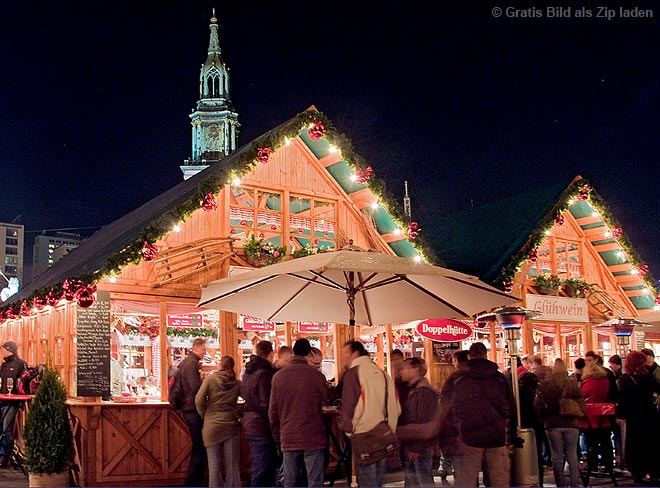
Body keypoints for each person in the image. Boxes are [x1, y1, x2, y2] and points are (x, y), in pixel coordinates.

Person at [441, 342, 515, 488]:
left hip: (468, 435)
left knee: (466, 480)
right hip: (496, 435)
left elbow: (445, 410)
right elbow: (510, 408)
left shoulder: (456, 379)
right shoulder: (499, 378)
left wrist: (447, 438)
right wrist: (511, 435)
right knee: (499, 480)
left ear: (469, 356)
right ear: (485, 354)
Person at [339, 340, 400, 488]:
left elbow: (349, 406)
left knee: (367, 481)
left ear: (355, 353)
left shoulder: (353, 373)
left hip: (363, 436)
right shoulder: (383, 374)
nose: (343, 358)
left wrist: (349, 429)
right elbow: (396, 407)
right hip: (383, 433)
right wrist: (390, 428)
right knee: (378, 481)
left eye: (345, 354)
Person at [269, 338, 328, 487]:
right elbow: (326, 400)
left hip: (288, 435)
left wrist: (278, 435)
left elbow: (273, 412)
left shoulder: (278, 377)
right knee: (315, 482)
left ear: (293, 353)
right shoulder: (317, 377)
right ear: (309, 354)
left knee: (290, 482)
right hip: (313, 435)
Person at [535, 358, 584, 488]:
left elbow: (538, 405)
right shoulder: (572, 383)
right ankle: (574, 484)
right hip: (571, 422)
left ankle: (560, 484)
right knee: (572, 454)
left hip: (553, 423)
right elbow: (582, 403)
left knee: (556, 455)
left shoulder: (545, 385)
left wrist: (543, 418)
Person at [196, 355, 241, 488]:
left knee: (214, 465)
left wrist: (205, 415)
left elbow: (199, 400)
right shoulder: (237, 383)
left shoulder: (210, 379)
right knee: (232, 465)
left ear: (220, 365)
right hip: (230, 424)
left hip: (212, 425)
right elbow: (248, 397)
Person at [616, 350, 660, 484]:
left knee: (634, 442)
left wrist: (620, 415)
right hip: (649, 412)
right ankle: (653, 471)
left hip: (633, 414)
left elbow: (621, 398)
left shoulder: (625, 378)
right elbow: (658, 388)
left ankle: (637, 472)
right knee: (651, 443)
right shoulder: (647, 376)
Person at [240, 340, 278, 487]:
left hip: (250, 422)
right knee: (263, 467)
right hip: (261, 425)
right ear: (270, 354)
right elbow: (266, 403)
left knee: (263, 465)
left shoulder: (249, 372)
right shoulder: (265, 374)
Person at [398, 357, 439, 487]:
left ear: (415, 370)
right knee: (414, 480)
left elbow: (422, 421)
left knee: (423, 480)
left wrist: (416, 447)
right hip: (414, 443)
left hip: (420, 446)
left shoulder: (423, 392)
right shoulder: (416, 389)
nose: (401, 371)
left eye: (405, 368)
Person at [178, 338, 208, 486]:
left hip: (187, 407)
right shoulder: (192, 364)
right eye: (204, 349)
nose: (205, 352)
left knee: (199, 445)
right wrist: (204, 383)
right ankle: (193, 481)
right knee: (200, 445)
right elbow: (196, 388)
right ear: (197, 348)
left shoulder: (186, 362)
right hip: (192, 409)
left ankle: (194, 480)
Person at [579, 362, 614, 480]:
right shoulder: (605, 381)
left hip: (590, 418)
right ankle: (608, 465)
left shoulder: (588, 383)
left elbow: (582, 397)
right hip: (603, 417)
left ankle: (592, 465)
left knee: (591, 443)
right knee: (606, 442)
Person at [0, 341, 27, 468]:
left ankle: (4, 456)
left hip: (13, 401)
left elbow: (23, 383)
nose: (2, 352)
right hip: (2, 399)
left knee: (6, 429)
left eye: (3, 349)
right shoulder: (4, 365)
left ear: (9, 349)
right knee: (3, 428)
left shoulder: (20, 364)